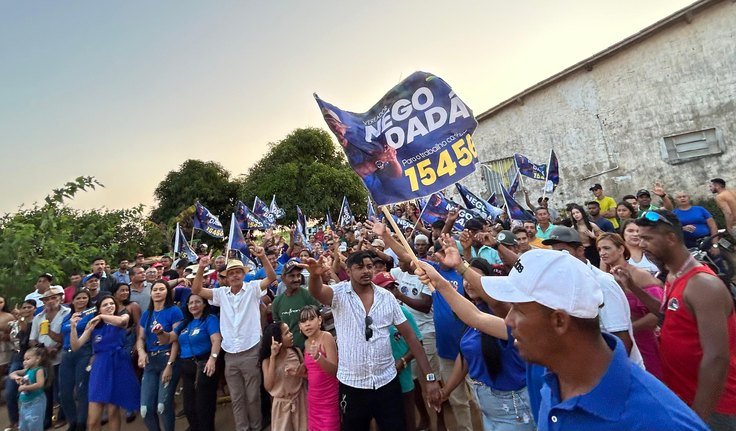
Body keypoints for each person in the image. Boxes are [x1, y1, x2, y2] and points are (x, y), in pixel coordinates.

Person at [424, 248, 707, 430]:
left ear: (559, 320)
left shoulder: (660, 421)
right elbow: (476, 317)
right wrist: (439, 280)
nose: (508, 321)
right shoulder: (544, 364)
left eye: (518, 310)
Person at [301, 250, 441, 431]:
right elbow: (317, 291)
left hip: (386, 382)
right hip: (352, 386)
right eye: (359, 267)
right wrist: (314, 275)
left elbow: (411, 337)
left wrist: (430, 378)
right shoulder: (338, 294)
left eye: (369, 267)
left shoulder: (387, 297)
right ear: (349, 271)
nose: (366, 271)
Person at [625, 210, 736, 428]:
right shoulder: (674, 274)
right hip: (687, 397)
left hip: (717, 406)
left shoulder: (702, 284)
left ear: (671, 238)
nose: (642, 245)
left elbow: (717, 357)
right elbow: (667, 315)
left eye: (647, 238)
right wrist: (633, 288)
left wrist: (697, 419)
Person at [439, 258, 535, 431]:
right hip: (489, 408)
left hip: (513, 408)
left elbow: (481, 315)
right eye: (466, 278)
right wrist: (445, 391)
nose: (469, 283)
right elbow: (468, 357)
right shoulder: (474, 311)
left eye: (476, 278)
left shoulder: (503, 313)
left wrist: (441, 280)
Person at [191, 248, 277, 431]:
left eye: (238, 272)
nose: (235, 276)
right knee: (237, 398)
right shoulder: (221, 294)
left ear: (243, 274)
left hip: (251, 350)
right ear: (226, 277)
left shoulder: (253, 288)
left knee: (253, 396)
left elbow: (271, 277)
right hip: (230, 354)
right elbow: (197, 289)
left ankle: (255, 427)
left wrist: (262, 256)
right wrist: (201, 268)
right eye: (231, 273)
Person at [541, 226, 643, 366]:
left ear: (580, 251)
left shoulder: (602, 283)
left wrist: (608, 376)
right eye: (555, 252)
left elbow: (621, 338)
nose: (558, 258)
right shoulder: (567, 281)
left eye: (563, 252)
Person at [596, 233, 664, 380]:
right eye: (599, 249)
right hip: (617, 347)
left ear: (621, 249)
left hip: (645, 345)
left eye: (607, 248)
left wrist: (627, 329)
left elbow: (658, 314)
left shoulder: (640, 275)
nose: (602, 253)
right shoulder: (602, 279)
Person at [72, 295, 140, 431]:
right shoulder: (94, 325)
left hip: (119, 364)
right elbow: (76, 346)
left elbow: (121, 322)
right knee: (93, 419)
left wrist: (102, 317)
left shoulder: (123, 316)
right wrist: (73, 327)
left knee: (113, 411)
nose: (110, 306)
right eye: (105, 305)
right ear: (99, 309)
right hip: (100, 366)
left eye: (111, 304)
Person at [372, 273, 424, 431]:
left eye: (392, 287)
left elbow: (418, 343)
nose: (391, 292)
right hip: (380, 379)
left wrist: (403, 362)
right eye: (386, 288)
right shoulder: (369, 316)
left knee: (408, 419)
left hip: (402, 377)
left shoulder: (403, 312)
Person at [163, 294, 222, 431]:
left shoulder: (210, 319)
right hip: (186, 366)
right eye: (190, 303)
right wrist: (160, 333)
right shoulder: (185, 323)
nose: (193, 305)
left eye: (197, 302)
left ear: (204, 304)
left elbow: (216, 340)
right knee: (189, 407)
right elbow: (170, 338)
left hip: (204, 365)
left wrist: (212, 359)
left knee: (204, 406)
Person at [136, 281, 183, 431]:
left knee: (162, 406)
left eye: (161, 289)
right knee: (145, 409)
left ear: (167, 292)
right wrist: (141, 352)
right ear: (150, 293)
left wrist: (170, 365)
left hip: (168, 357)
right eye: (155, 289)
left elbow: (176, 340)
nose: (157, 292)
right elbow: (140, 338)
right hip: (150, 360)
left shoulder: (174, 311)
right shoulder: (147, 314)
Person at [29, 286, 69, 429]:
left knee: (62, 390)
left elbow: (68, 334)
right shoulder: (38, 317)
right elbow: (32, 339)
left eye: (54, 297)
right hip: (44, 359)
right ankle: (46, 420)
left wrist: (56, 347)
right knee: (46, 391)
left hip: (62, 356)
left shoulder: (67, 313)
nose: (51, 301)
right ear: (43, 301)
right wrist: (42, 349)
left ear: (60, 297)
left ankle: (63, 417)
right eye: (47, 298)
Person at [297, 305, 339, 431]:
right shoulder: (306, 343)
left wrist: (318, 357)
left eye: (311, 319)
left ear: (320, 320)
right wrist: (298, 373)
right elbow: (314, 374)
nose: (307, 324)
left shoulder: (326, 337)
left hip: (329, 400)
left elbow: (334, 370)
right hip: (314, 400)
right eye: (303, 321)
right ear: (299, 326)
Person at [260, 322, 307, 431]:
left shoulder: (296, 352)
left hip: (300, 400)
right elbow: (268, 386)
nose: (291, 334)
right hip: (282, 406)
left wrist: (299, 373)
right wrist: (272, 357)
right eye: (286, 333)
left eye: (289, 331)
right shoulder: (267, 361)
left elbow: (306, 375)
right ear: (276, 340)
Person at [58, 290, 95, 431]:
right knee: (64, 392)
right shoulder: (68, 316)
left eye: (85, 298)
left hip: (83, 352)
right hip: (66, 354)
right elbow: (63, 331)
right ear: (72, 301)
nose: (81, 300)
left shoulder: (91, 313)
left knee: (81, 390)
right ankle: (72, 420)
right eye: (78, 298)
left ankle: (81, 423)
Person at [271, 260, 321, 350]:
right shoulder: (277, 302)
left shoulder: (307, 294)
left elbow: (320, 319)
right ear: (283, 278)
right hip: (291, 352)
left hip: (311, 349)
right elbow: (278, 330)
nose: (296, 279)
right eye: (292, 276)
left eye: (298, 275)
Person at [4, 300, 37, 431]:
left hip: (34, 357)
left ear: (35, 308)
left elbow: (26, 337)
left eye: (29, 307)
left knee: (33, 391)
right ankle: (15, 422)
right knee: (10, 391)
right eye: (24, 307)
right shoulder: (16, 322)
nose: (26, 309)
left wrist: (21, 319)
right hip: (17, 356)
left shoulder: (38, 320)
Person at [9, 347, 48, 431]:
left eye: (28, 359)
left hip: (36, 402)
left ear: (37, 359)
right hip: (24, 404)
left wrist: (24, 387)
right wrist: (17, 377)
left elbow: (40, 384)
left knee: (35, 426)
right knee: (23, 426)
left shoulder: (39, 370)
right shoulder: (27, 370)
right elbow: (12, 373)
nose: (24, 361)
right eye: (24, 359)